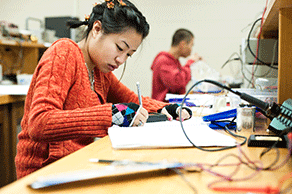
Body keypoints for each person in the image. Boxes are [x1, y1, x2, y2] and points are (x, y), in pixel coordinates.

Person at [15, 0, 193, 179]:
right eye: (119, 48)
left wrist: (165, 108)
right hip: (43, 171)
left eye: (128, 55)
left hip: (76, 162)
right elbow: (39, 123)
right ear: (97, 29)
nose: (121, 60)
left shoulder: (100, 71)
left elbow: (133, 100)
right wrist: (111, 115)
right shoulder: (64, 52)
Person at [151, 28, 202, 102]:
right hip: (163, 108)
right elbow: (178, 83)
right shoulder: (163, 61)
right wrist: (190, 63)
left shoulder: (174, 61)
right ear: (183, 44)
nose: (191, 49)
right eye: (191, 45)